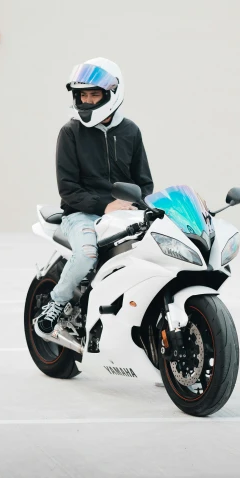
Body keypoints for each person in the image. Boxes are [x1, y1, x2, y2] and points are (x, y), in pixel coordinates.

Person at [36, 57, 154, 337]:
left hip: (126, 215)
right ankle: (56, 303)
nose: (87, 101)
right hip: (81, 214)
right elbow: (68, 189)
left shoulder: (131, 131)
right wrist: (105, 205)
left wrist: (145, 207)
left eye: (94, 94)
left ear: (112, 94)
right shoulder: (70, 133)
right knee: (87, 254)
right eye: (83, 95)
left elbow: (144, 183)